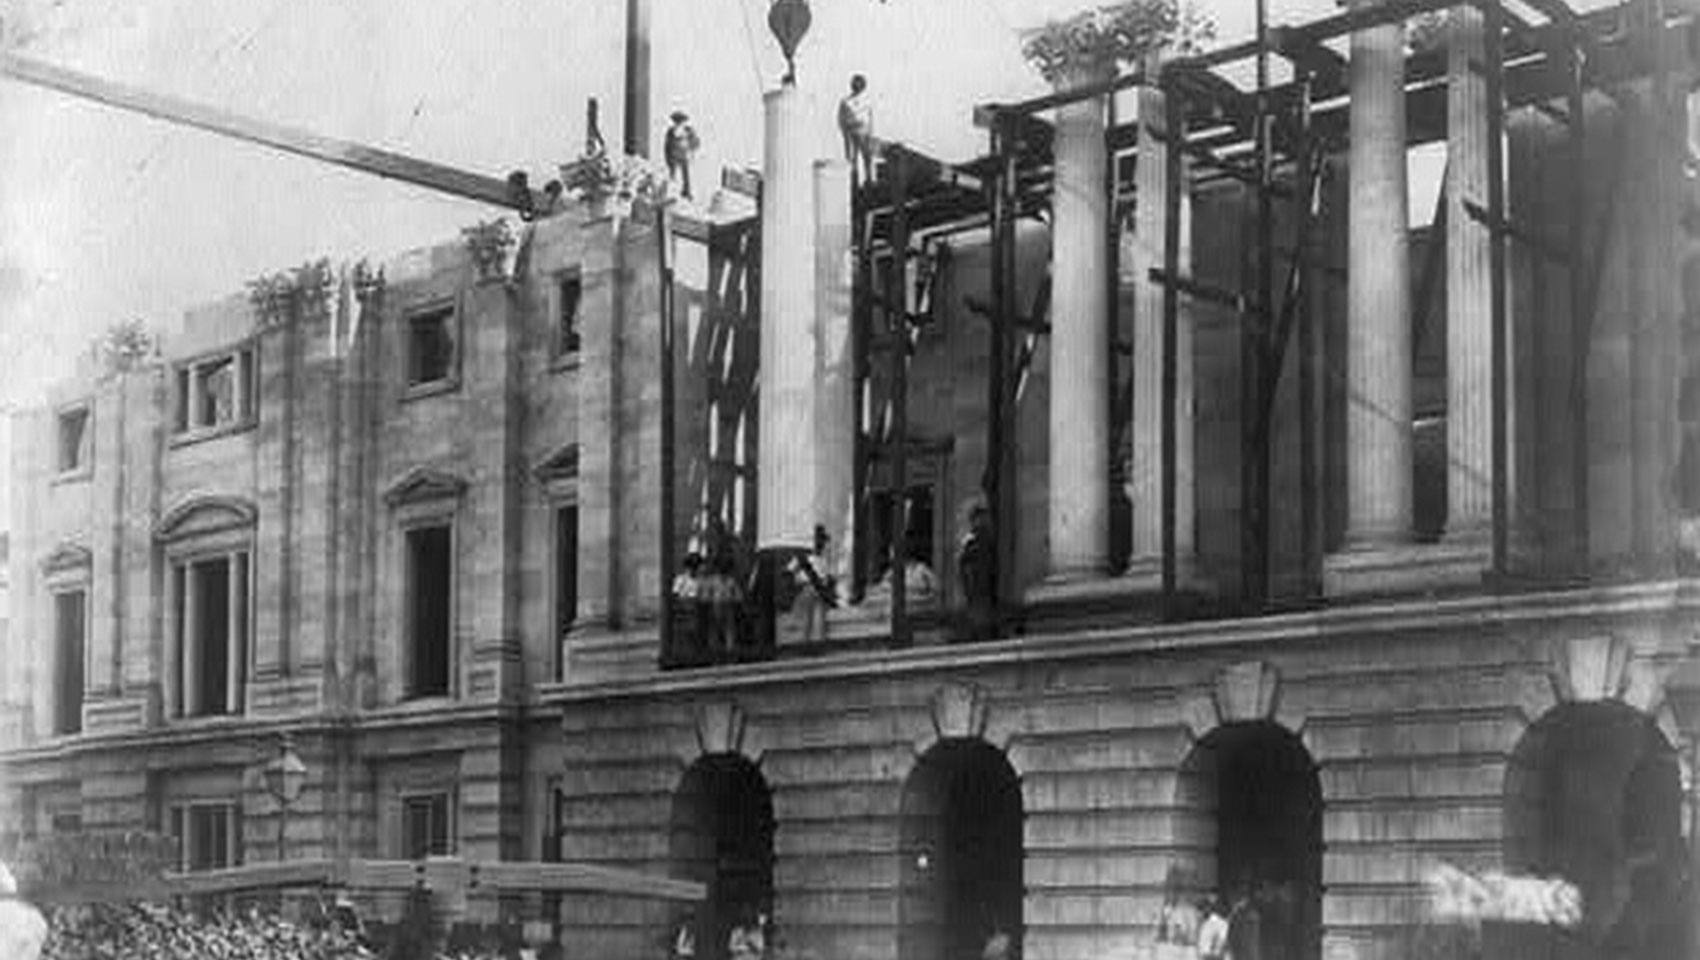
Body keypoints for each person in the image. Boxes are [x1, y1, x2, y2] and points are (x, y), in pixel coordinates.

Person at [957, 501, 996, 643]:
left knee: (982, 614)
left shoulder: (984, 537)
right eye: (980, 517)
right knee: (980, 616)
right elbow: (964, 565)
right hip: (977, 586)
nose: (983, 520)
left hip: (984, 585)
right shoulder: (972, 539)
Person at [837, 74, 874, 183]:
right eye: (855, 84)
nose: (857, 86)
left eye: (859, 84)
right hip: (850, 133)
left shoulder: (867, 101)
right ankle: (853, 182)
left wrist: (869, 133)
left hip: (864, 134)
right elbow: (841, 119)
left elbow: (870, 119)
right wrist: (846, 129)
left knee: (867, 158)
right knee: (852, 159)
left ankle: (869, 180)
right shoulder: (845, 101)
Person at [664, 110, 702, 200]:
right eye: (676, 121)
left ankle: (686, 191)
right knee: (673, 175)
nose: (678, 123)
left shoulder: (688, 131)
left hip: (684, 156)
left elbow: (695, 142)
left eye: (680, 121)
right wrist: (668, 157)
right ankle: (672, 192)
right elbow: (667, 145)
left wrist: (690, 147)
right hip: (674, 156)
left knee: (685, 174)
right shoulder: (671, 131)